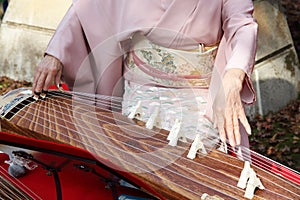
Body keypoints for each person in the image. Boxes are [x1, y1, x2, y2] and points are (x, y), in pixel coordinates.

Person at [32, 0, 258, 158]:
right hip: (140, 94)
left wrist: (234, 74)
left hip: (197, 99)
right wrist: (56, 53)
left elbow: (242, 25)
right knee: (135, 167)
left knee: (191, 171)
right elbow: (87, 6)